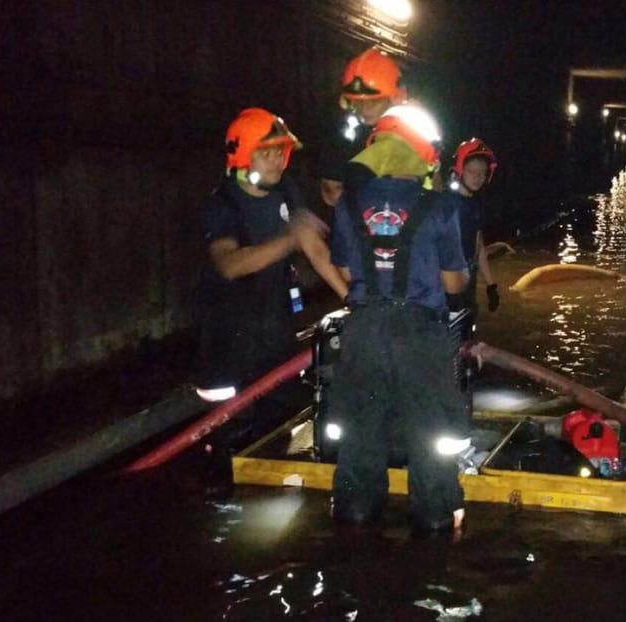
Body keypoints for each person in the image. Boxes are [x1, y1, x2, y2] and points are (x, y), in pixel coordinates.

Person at [328, 103, 470, 533]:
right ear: (423, 155)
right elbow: (453, 284)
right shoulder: (441, 206)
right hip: (421, 337)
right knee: (431, 434)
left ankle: (354, 513)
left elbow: (347, 271)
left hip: (364, 331)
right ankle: (435, 516)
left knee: (361, 429)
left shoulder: (347, 204)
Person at [195, 108, 348, 404]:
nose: (278, 160)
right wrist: (291, 236)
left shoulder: (286, 192)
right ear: (243, 155)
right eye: (268, 153)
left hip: (277, 343)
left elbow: (314, 247)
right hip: (230, 355)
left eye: (282, 152)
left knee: (278, 432)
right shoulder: (223, 204)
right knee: (234, 439)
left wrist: (353, 299)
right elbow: (230, 264)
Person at [317, 47, 407, 208]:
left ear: (395, 97)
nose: (364, 108)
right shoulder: (341, 135)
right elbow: (331, 193)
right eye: (358, 101)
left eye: (373, 101)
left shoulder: (414, 134)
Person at [442, 138, 501, 318]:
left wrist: (491, 284)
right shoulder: (445, 205)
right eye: (472, 171)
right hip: (447, 285)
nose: (478, 177)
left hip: (468, 280)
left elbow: (478, 244)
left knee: (466, 331)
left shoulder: (475, 204)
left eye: (482, 173)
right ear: (460, 170)